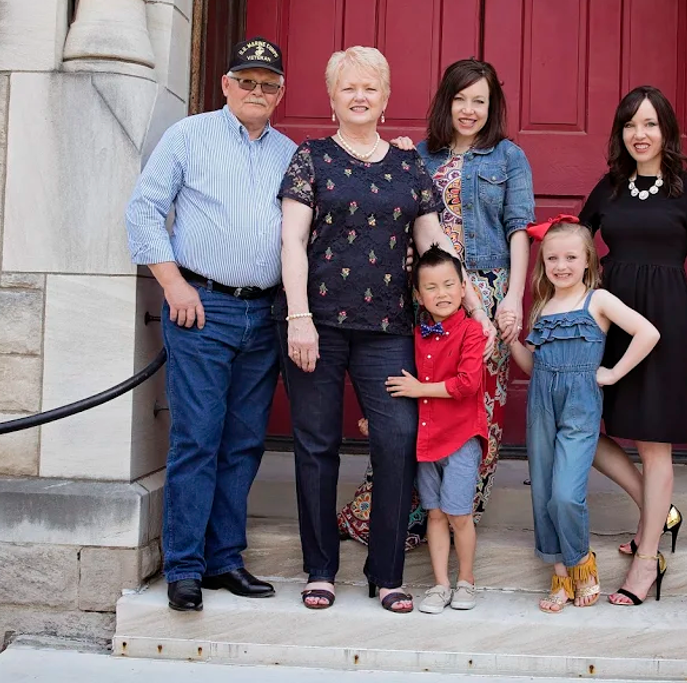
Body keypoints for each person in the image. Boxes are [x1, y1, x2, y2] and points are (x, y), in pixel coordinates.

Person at [278, 46, 495, 614]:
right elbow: (292, 243)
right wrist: (298, 317)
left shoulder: (407, 165)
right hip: (318, 326)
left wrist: (473, 304)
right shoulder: (311, 158)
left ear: (386, 98)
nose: (359, 97)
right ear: (332, 98)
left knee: (398, 442)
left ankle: (387, 573)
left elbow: (434, 244)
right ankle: (320, 569)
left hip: (389, 328)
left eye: (370, 88)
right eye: (348, 88)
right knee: (317, 445)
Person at [125, 37, 296, 612]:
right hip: (202, 307)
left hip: (265, 312)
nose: (256, 91)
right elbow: (145, 208)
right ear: (226, 84)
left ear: (280, 93)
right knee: (197, 438)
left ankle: (225, 559)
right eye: (246, 81)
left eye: (267, 84)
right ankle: (185, 567)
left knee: (243, 442)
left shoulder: (289, 153)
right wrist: (172, 283)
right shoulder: (188, 135)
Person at [337, 58, 535, 549]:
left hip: (484, 297)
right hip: (426, 300)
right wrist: (396, 156)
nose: (469, 110)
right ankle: (393, 516)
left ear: (493, 107)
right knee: (418, 402)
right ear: (446, 102)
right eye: (460, 98)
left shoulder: (509, 157)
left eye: (480, 101)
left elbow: (518, 230)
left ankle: (458, 515)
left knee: (476, 407)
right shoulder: (416, 155)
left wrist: (511, 298)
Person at [578, 85, 687, 607]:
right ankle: (657, 511)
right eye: (629, 125)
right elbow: (573, 246)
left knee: (654, 445)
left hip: (664, 321)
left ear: (665, 130)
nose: (639, 135)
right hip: (609, 320)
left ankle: (647, 559)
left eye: (649, 124)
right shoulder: (610, 187)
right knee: (577, 423)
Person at [507, 217, 659, 612]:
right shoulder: (542, 306)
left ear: (588, 261)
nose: (561, 265)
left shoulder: (599, 301)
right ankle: (560, 572)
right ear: (543, 264)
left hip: (579, 406)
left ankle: (581, 564)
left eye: (571, 257)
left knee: (565, 496)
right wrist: (510, 343)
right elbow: (532, 366)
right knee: (543, 493)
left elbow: (648, 333)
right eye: (553, 258)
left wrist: (612, 372)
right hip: (541, 404)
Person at [385, 246, 489, 615]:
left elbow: (466, 384)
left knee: (459, 514)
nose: (441, 293)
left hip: (460, 439)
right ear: (418, 294)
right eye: (431, 287)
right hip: (427, 440)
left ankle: (466, 581)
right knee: (435, 514)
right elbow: (399, 384)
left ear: (463, 289)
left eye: (449, 284)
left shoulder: (472, 332)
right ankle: (441, 584)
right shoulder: (416, 334)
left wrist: (420, 390)